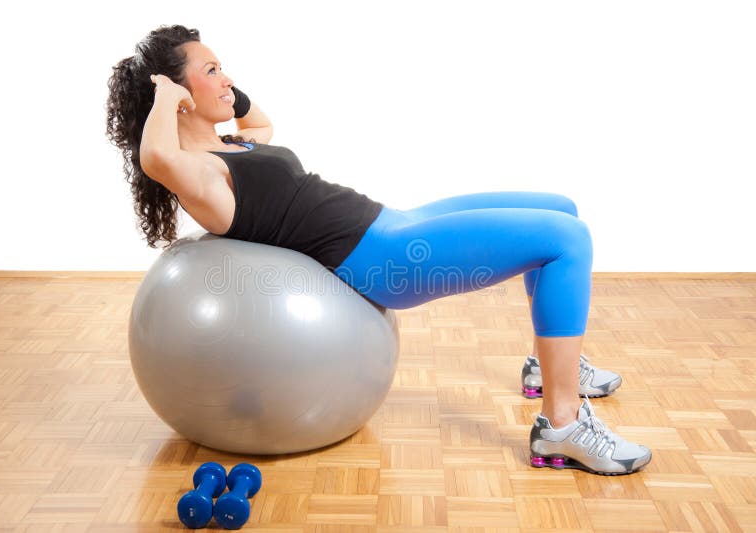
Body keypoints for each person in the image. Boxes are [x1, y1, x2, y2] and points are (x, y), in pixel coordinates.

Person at [106, 24, 652, 476]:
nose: (226, 78)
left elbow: (262, 122)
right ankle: (561, 426)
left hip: (392, 222)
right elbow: (154, 157)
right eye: (211, 71)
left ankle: (552, 368)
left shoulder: (232, 145)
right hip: (383, 260)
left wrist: (223, 92)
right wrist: (163, 96)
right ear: (177, 100)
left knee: (561, 209)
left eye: (223, 67)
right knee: (568, 242)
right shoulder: (199, 175)